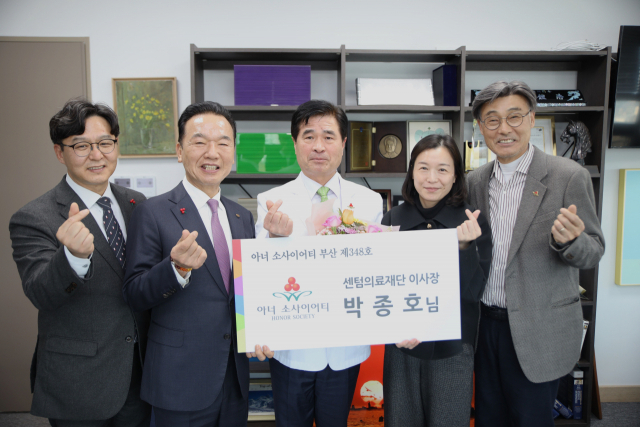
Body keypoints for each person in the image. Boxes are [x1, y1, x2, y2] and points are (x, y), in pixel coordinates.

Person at [467, 81, 605, 427]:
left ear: (531, 119)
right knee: (488, 418)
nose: (504, 129)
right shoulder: (474, 181)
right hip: (486, 327)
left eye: (514, 117)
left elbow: (593, 251)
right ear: (481, 127)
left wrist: (571, 241)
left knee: (530, 419)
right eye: (493, 120)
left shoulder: (568, 176)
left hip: (538, 328)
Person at [9, 99, 150, 427]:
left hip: (139, 371)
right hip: (79, 380)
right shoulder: (34, 216)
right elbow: (40, 293)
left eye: (105, 143)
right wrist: (72, 256)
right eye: (81, 146)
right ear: (60, 153)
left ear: (116, 145)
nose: (96, 155)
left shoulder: (137, 203)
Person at [250, 100, 383, 427]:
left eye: (328, 136)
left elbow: (376, 268)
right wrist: (275, 238)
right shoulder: (271, 201)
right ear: (295, 143)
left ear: (344, 143)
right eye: (309, 136)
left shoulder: (369, 201)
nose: (319, 146)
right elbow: (259, 274)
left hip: (345, 347)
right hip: (291, 348)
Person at [122, 102, 255, 427]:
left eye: (223, 143)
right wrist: (176, 269)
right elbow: (134, 293)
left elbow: (244, 293)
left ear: (233, 152)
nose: (212, 153)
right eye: (199, 142)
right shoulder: (152, 212)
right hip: (179, 378)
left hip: (234, 378)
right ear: (180, 151)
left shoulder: (242, 216)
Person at [381, 134, 492, 427]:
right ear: (412, 172)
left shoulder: (472, 221)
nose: (432, 178)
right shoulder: (392, 219)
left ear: (455, 176)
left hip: (452, 346)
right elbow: (383, 284)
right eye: (423, 168)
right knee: (400, 421)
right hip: (402, 345)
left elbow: (474, 291)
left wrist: (464, 248)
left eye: (442, 169)